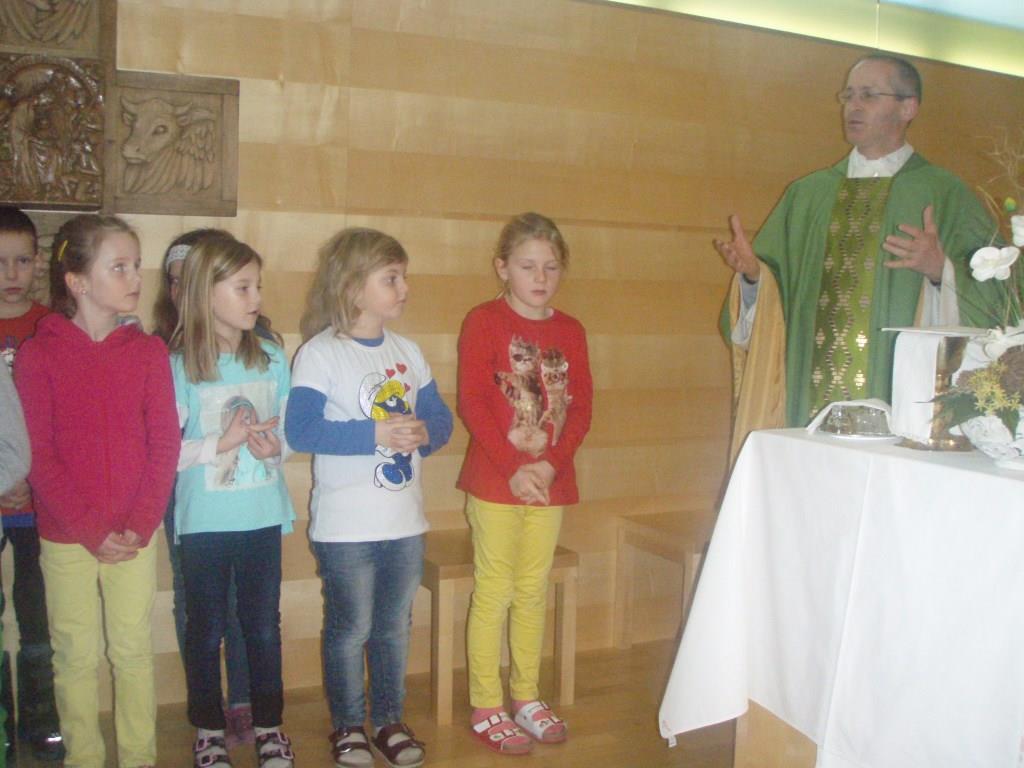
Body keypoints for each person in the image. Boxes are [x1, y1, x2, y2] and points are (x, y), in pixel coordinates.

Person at [714, 54, 999, 454]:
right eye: (848, 95)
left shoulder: (944, 193)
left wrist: (942, 272)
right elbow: (774, 306)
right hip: (806, 406)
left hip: (903, 410)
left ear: (908, 108)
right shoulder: (808, 194)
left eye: (868, 95)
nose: (853, 106)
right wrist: (753, 278)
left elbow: (997, 304)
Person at [14, 214, 180, 768]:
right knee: (75, 658)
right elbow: (38, 454)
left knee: (132, 654)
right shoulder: (39, 355)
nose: (135, 278)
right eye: (119, 267)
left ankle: (138, 758)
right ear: (78, 281)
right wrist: (89, 529)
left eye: (136, 265)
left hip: (134, 535)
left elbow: (164, 444)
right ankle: (83, 758)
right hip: (67, 537)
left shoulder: (149, 352)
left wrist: (141, 522)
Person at [286, 228, 452, 768]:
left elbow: (441, 420)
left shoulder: (408, 352)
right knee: (349, 629)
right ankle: (348, 726)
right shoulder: (320, 354)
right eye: (391, 278)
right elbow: (302, 430)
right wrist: (375, 433)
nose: (404, 288)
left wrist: (425, 433)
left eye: (403, 277)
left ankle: (388, 721)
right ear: (354, 286)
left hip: (404, 522)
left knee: (393, 628)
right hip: (345, 529)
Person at [457, 213, 592, 755]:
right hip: (496, 479)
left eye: (551, 267)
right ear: (503, 268)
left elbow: (581, 409)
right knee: (495, 589)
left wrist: (550, 464)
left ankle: (526, 696)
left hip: (549, 483)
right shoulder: (483, 320)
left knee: (533, 589)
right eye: (527, 266)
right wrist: (514, 465)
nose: (540, 277)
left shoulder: (571, 330)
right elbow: (472, 402)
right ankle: (486, 703)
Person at [169, 235, 295, 768]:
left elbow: (287, 435)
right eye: (242, 287)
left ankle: (269, 726)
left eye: (257, 286)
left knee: (263, 627)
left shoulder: (271, 358)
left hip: (262, 518)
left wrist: (273, 450)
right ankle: (208, 729)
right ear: (205, 292)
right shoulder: (177, 365)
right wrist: (218, 444)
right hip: (204, 524)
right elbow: (163, 452)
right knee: (205, 630)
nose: (256, 298)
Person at [154, 229, 262, 749]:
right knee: (195, 600)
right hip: (187, 491)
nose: (182, 292)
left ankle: (242, 699)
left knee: (245, 604)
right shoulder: (165, 351)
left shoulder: (253, 342)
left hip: (245, 494)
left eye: (189, 281)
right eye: (174, 282)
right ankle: (208, 708)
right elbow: (161, 442)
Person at [0, 206, 64, 762]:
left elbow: (61, 421)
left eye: (22, 261)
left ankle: (42, 720)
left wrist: (29, 480)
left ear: (38, 262)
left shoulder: (51, 327)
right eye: (0, 262)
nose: (11, 274)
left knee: (38, 616)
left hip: (38, 502)